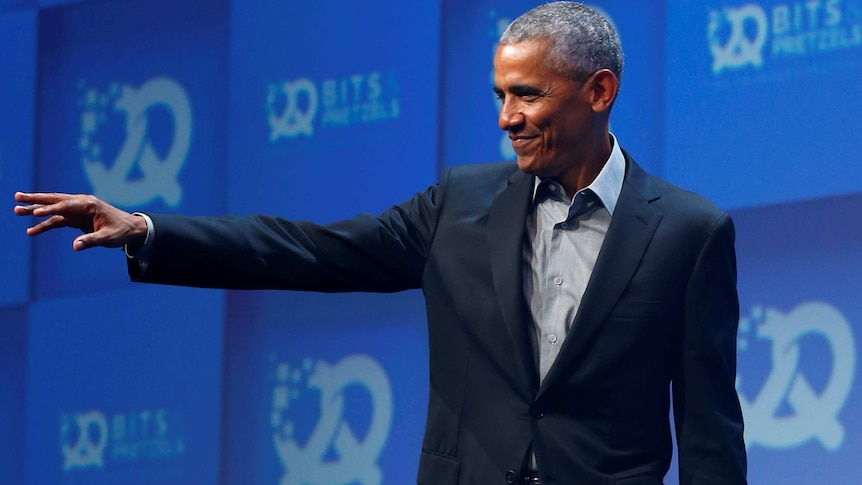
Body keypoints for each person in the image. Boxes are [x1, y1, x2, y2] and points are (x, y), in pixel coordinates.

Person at [14, 2, 746, 484]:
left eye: (528, 95)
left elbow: (710, 435)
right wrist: (150, 230)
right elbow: (308, 249)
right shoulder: (460, 204)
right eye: (499, 95)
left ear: (598, 90)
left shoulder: (687, 232)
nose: (507, 118)